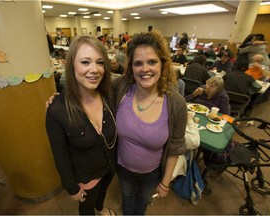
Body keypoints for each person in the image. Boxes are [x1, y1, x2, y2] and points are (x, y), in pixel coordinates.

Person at [112, 30, 187, 215]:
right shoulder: (121, 87)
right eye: (138, 63)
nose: (144, 69)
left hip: (151, 173)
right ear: (131, 68)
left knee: (142, 202)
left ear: (163, 63)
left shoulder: (176, 103)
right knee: (127, 197)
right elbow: (92, 89)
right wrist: (62, 99)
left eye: (152, 62)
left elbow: (176, 147)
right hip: (122, 167)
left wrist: (165, 182)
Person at [45, 35, 117, 215]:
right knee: (86, 207)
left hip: (110, 168)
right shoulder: (57, 110)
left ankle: (100, 208)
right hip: (86, 177)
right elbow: (59, 156)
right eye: (85, 62)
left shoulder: (108, 96)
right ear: (72, 66)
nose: (94, 70)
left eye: (100, 62)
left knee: (101, 195)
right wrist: (71, 188)